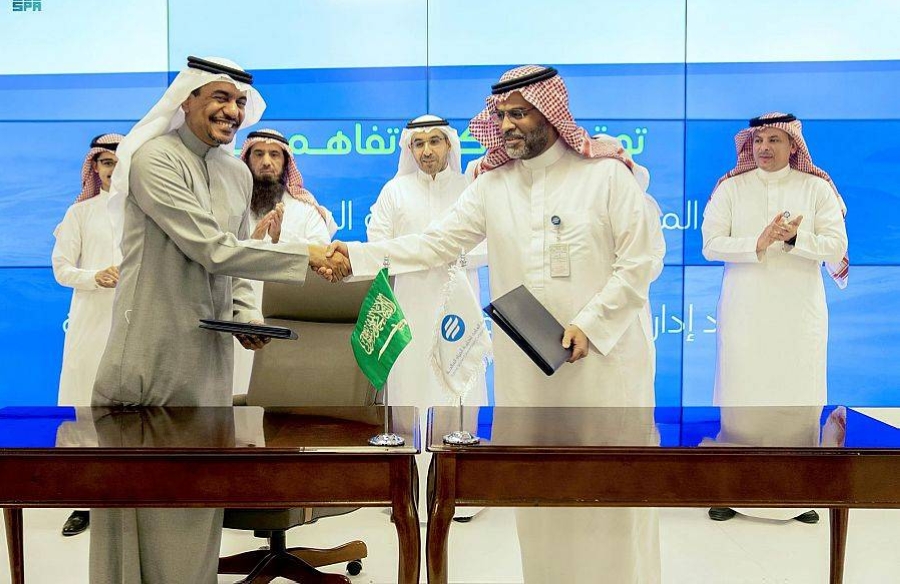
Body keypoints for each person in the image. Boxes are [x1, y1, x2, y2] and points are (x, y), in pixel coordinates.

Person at [324, 65, 665, 583]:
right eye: (500, 115)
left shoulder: (606, 175)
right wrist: (356, 255)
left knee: (609, 489)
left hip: (604, 364)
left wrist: (592, 324)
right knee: (539, 491)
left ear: (550, 113)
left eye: (519, 113)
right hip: (528, 372)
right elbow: (435, 244)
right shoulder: (492, 185)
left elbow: (641, 260)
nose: (506, 125)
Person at [90, 56, 344, 584]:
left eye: (239, 102)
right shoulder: (155, 160)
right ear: (186, 100)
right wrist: (305, 256)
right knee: (139, 495)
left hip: (208, 358)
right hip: (151, 353)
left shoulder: (234, 171)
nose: (232, 111)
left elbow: (238, 256)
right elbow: (211, 248)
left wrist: (245, 314)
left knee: (196, 492)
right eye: (220, 98)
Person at [701, 112, 849, 523]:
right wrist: (758, 242)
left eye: (774, 140)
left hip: (798, 319)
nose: (764, 147)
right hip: (745, 316)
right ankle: (732, 492)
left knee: (795, 402)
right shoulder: (731, 188)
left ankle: (798, 497)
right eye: (759, 140)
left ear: (792, 145)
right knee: (743, 402)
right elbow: (711, 244)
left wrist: (796, 238)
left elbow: (836, 247)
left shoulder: (816, 188)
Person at [366, 114, 487, 522]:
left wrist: (444, 253)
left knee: (459, 387)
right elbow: (378, 245)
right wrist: (425, 254)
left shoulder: (470, 189)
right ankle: (409, 495)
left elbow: (489, 242)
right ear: (409, 149)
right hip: (411, 307)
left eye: (435, 141)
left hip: (458, 307)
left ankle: (458, 495)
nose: (427, 150)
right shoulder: (395, 191)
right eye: (419, 144)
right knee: (409, 392)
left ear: (449, 144)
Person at [51, 133, 123, 537]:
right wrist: (95, 276)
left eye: (120, 162)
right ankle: (84, 500)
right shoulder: (79, 213)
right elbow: (62, 268)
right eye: (106, 162)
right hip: (92, 325)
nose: (113, 169)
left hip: (137, 323)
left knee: (136, 412)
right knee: (83, 408)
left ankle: (132, 495)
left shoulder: (147, 212)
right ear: (95, 167)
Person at [233, 128, 336, 393]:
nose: (266, 161)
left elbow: (323, 261)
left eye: (274, 155)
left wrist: (279, 241)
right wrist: (252, 242)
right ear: (247, 159)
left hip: (287, 325)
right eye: (258, 154)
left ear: (286, 162)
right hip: (236, 320)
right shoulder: (231, 206)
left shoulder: (306, 211)